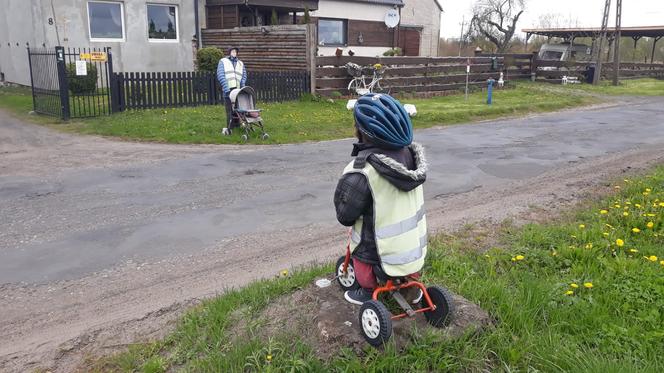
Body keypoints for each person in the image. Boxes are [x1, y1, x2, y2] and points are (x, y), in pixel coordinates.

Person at [334, 93, 428, 305]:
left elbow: (345, 215)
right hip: (412, 252)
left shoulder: (362, 172)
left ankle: (368, 290)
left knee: (362, 249)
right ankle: (410, 288)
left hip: (378, 257)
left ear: (360, 131)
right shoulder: (412, 160)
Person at [216, 47, 247, 135]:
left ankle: (237, 126)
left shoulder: (240, 63)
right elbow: (220, 75)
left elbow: (244, 75)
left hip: (238, 90)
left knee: (238, 109)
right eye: (233, 51)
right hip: (228, 89)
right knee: (229, 109)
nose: (234, 53)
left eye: (236, 51)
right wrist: (226, 88)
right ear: (229, 52)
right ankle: (230, 127)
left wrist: (242, 86)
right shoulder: (223, 61)